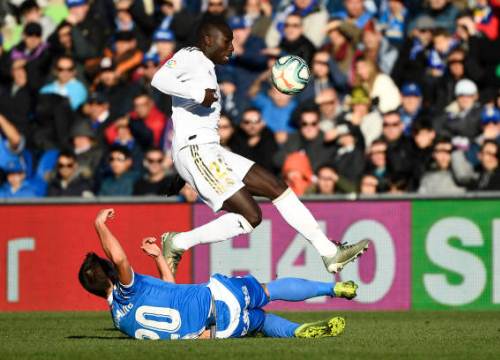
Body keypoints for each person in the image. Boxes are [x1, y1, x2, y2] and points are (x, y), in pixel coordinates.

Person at [151, 18, 369, 275]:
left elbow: (191, 118)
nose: (232, 47)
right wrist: (198, 98)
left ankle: (329, 252)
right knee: (251, 217)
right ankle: (178, 242)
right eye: (227, 41)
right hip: (197, 151)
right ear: (208, 40)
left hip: (209, 151)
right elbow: (159, 79)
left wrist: (184, 171)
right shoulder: (191, 55)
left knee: (277, 188)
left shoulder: (206, 66)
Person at [79, 208, 359, 340]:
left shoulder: (120, 320)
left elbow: (171, 293)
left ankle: (297, 332)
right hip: (219, 298)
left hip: (216, 331)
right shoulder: (128, 287)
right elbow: (120, 257)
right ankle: (333, 289)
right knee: (268, 290)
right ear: (112, 274)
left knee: (261, 322)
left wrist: (160, 260)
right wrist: (99, 225)